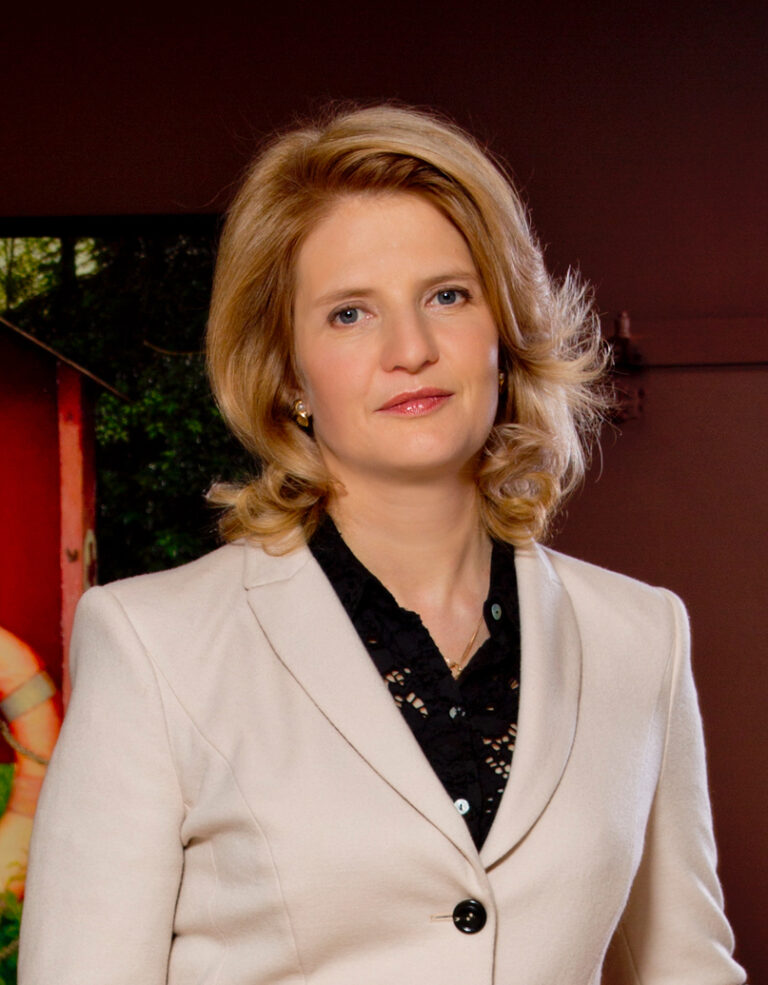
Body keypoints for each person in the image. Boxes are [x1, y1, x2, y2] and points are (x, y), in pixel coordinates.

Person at [19, 104, 746, 985]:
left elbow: (686, 970)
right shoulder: (154, 645)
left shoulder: (641, 637)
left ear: (503, 331)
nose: (411, 348)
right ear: (287, 371)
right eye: (350, 313)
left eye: (448, 295)